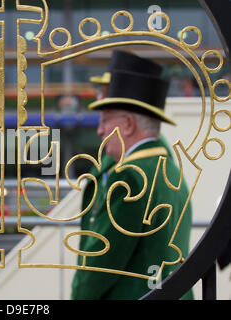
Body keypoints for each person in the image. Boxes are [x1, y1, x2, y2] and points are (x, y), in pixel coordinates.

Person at [71, 50, 193, 300]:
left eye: (105, 121)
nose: (99, 130)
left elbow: (100, 266)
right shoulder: (168, 167)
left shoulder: (130, 177)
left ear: (127, 124)